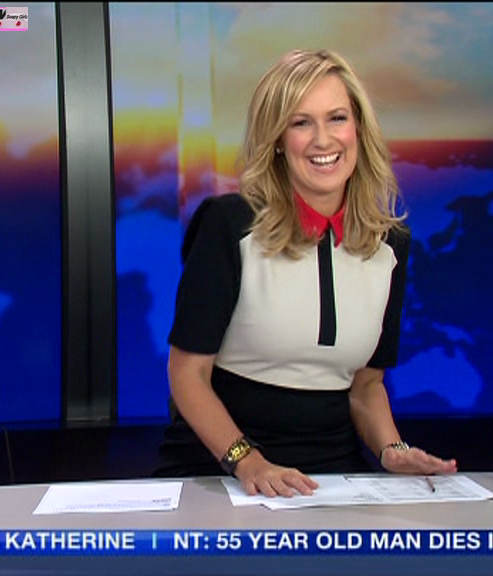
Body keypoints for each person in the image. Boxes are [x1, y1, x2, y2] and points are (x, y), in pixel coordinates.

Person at [154, 49, 456, 496]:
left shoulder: (390, 244)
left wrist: (392, 449)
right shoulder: (229, 224)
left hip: (332, 473)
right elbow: (187, 375)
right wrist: (249, 464)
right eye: (301, 123)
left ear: (358, 128)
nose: (322, 140)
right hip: (219, 467)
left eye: (337, 118)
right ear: (277, 139)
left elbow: (365, 386)